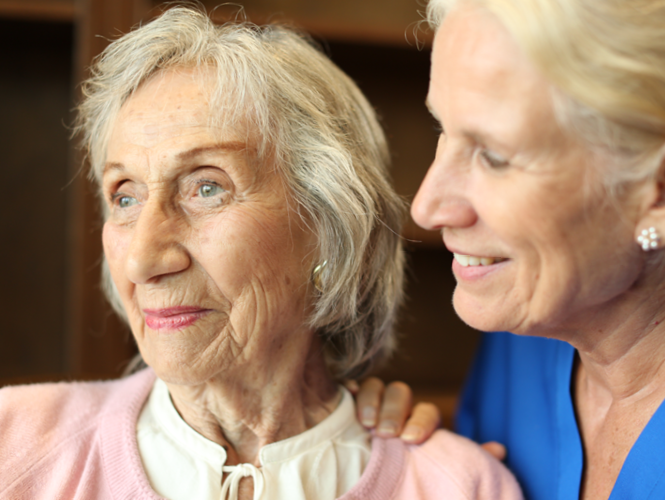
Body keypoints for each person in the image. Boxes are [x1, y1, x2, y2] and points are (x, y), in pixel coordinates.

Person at [0, 7, 522, 500]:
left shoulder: (459, 485)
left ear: (330, 223)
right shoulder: (13, 444)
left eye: (206, 187)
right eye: (126, 196)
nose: (142, 259)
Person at [358, 0, 665, 499]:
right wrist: (402, 463)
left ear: (658, 192)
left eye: (494, 156)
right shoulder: (528, 331)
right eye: (444, 130)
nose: (428, 208)